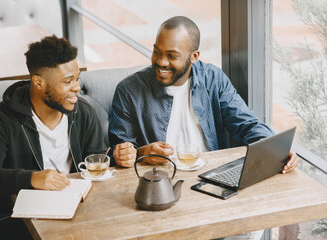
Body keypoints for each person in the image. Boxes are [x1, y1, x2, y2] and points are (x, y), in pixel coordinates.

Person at [108, 16, 298, 240]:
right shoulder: (129, 90)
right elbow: (116, 155)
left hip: (213, 182)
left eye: (172, 55)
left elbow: (246, 124)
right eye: (156, 51)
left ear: (194, 56)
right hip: (164, 192)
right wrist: (140, 153)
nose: (161, 61)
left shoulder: (213, 79)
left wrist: (276, 148)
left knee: (255, 222)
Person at [0, 35, 106, 240]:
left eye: (77, 78)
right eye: (67, 81)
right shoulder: (0, 119)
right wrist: (32, 178)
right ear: (38, 82)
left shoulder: (84, 113)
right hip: (14, 216)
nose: (76, 87)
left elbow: (95, 163)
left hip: (75, 210)